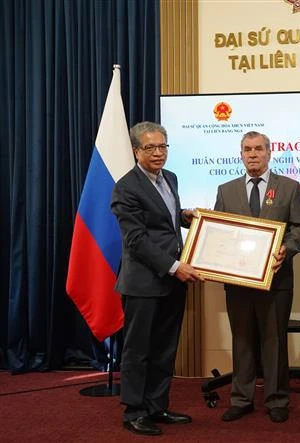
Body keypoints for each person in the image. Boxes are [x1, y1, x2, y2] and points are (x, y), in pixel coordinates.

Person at [111, 121, 204, 436]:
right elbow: (137, 240)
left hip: (171, 280)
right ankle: (134, 411)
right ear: (137, 150)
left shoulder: (171, 178)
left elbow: (161, 219)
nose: (158, 152)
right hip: (144, 282)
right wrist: (176, 267)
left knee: (165, 347)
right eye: (150, 147)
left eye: (163, 146)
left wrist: (184, 217)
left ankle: (156, 405)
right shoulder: (126, 187)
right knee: (138, 350)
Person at [214, 131, 300, 423]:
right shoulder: (226, 190)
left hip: (276, 281)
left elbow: (299, 228)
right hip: (238, 282)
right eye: (247, 149)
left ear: (269, 153)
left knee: (274, 341)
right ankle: (241, 399)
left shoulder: (289, 187)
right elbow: (218, 232)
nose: (252, 154)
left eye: (258, 149)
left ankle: (277, 399)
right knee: (242, 340)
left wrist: (286, 250)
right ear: (240, 154)